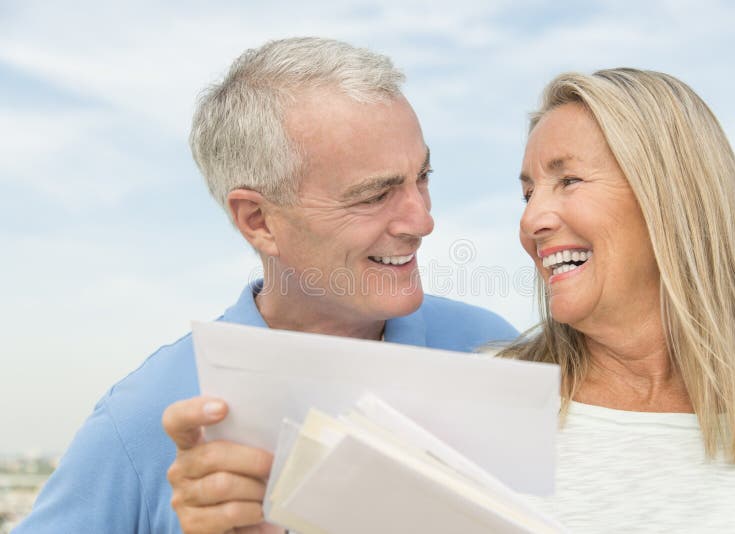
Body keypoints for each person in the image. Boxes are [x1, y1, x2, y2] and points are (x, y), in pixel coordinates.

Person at [14, 37, 518, 533]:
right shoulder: (142, 418)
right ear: (258, 220)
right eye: (375, 194)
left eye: (421, 176)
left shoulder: (494, 351)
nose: (422, 220)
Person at [502, 68, 735, 533]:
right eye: (527, 194)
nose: (531, 220)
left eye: (570, 181)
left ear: (669, 196)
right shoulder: (487, 403)